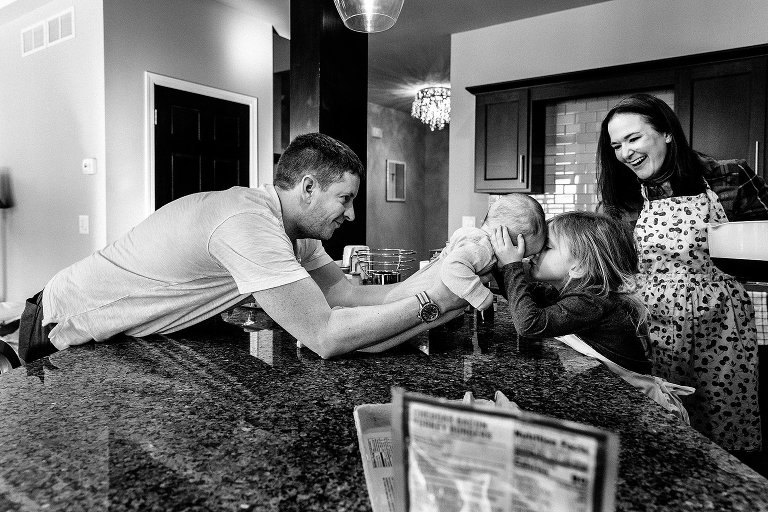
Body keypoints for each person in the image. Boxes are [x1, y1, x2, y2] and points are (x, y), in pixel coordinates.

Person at [18, 133, 467, 364]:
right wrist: (430, 302)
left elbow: (346, 295)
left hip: (119, 333)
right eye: (345, 199)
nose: (350, 216)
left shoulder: (294, 232)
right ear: (308, 188)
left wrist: (443, 274)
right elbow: (325, 335)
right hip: (63, 319)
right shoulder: (248, 223)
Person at [597, 93, 764, 452]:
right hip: (652, 324)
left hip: (722, 325)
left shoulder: (728, 176)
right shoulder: (620, 199)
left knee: (726, 419)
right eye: (616, 145)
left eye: (633, 138)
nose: (625, 153)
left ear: (667, 133)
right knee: (664, 420)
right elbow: (602, 264)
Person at [357, 193, 546, 353]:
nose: (523, 261)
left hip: (410, 300)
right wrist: (482, 298)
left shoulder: (474, 238)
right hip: (410, 303)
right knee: (377, 342)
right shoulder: (483, 249)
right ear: (505, 241)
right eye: (524, 255)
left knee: (378, 338)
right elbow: (453, 267)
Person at [490, 210, 652, 374]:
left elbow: (529, 324)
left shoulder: (591, 300)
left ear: (579, 267)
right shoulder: (565, 292)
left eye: (547, 247)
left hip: (632, 390)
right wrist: (496, 264)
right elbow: (525, 296)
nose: (536, 252)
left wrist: (512, 266)